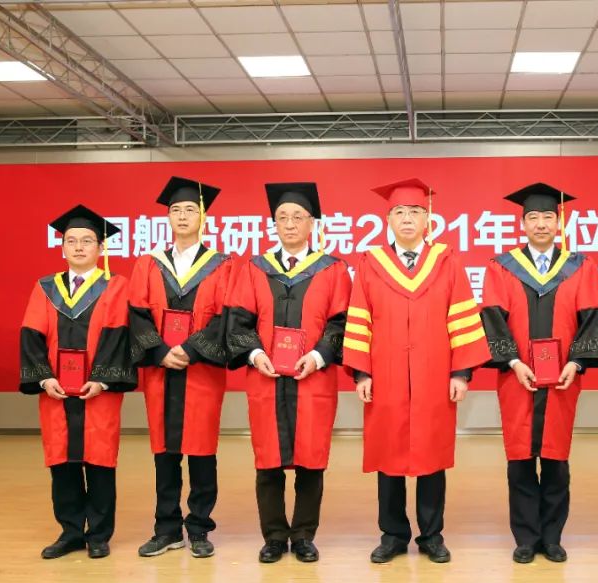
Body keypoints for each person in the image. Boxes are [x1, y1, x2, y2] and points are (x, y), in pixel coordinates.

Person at [342, 178, 491, 564]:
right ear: (387, 219)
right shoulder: (370, 264)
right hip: (386, 375)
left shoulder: (447, 262)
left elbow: (461, 318)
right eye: (399, 212)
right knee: (388, 455)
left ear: (428, 220)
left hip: (434, 375)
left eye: (415, 212)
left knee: (431, 455)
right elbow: (359, 318)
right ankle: (392, 535)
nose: (407, 218)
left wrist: (461, 373)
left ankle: (431, 535)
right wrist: (362, 373)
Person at [479, 183, 598, 563]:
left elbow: (592, 319)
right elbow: (493, 318)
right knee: (520, 458)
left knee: (555, 457)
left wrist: (576, 362)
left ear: (559, 222)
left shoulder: (581, 267)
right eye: (533, 217)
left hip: (563, 377)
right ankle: (525, 538)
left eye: (548, 217)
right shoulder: (501, 267)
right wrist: (514, 362)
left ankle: (551, 537)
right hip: (516, 377)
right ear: (522, 224)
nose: (540, 224)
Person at [225, 182, 351, 563]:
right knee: (268, 461)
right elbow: (238, 321)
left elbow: (341, 322)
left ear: (312, 223)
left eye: (298, 217)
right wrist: (255, 354)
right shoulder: (254, 268)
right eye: (283, 217)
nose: (290, 224)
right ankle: (275, 536)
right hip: (265, 378)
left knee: (312, 460)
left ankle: (305, 535)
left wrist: (318, 356)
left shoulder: (333, 269)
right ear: (274, 225)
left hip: (313, 378)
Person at [20, 205, 136, 559]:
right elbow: (31, 335)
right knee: (62, 462)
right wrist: (44, 378)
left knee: (100, 461)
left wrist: (101, 380)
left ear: (101, 247)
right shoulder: (45, 287)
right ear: (62, 248)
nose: (79, 247)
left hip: (98, 392)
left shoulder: (116, 286)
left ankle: (98, 534)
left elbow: (118, 336)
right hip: (56, 392)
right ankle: (70, 532)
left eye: (87, 241)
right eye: (71, 241)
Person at [128, 177, 233, 559]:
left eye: (190, 209)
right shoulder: (148, 263)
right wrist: (159, 351)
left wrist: (190, 349)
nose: (183, 216)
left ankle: (200, 528)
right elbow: (137, 314)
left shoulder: (222, 265)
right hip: (161, 371)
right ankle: (166, 528)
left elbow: (226, 317)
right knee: (165, 452)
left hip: (201, 370)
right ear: (167, 218)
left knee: (202, 451)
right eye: (176, 210)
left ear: (203, 217)